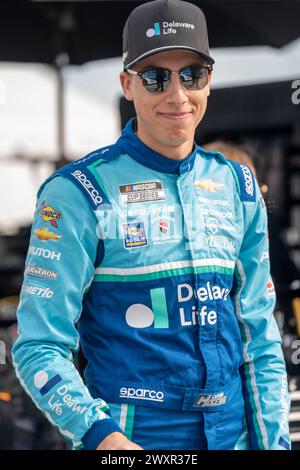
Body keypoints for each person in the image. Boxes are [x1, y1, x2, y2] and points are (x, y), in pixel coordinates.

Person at [12, 0, 290, 450]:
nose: (177, 95)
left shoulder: (237, 184)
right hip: (134, 436)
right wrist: (104, 439)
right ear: (127, 84)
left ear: (209, 81)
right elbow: (37, 347)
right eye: (156, 77)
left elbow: (259, 338)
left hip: (233, 433)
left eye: (191, 75)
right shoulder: (78, 191)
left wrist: (273, 442)